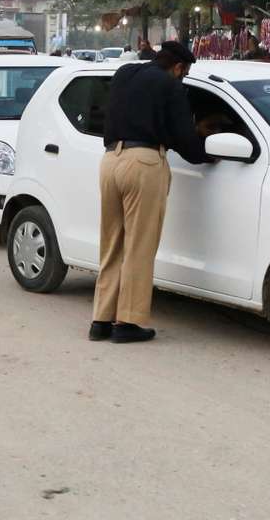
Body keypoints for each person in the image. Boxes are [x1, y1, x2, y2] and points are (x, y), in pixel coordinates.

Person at [93, 41, 210, 343]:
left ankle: (101, 320)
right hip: (144, 163)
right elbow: (184, 136)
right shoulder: (170, 86)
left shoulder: (124, 73)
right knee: (139, 246)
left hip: (110, 160)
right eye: (183, 74)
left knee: (112, 244)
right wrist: (204, 152)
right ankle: (128, 323)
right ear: (179, 67)